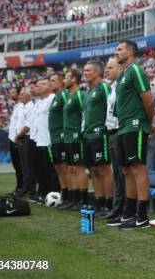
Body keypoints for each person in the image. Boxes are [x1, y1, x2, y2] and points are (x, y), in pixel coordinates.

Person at [107, 40, 155, 229]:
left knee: (137, 168)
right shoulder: (122, 76)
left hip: (135, 126)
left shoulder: (135, 70)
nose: (116, 52)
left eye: (119, 49)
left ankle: (142, 216)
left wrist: (147, 122)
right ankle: (128, 213)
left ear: (130, 52)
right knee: (126, 171)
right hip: (123, 127)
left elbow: (148, 100)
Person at [82, 60, 114, 217]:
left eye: (88, 70)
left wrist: (106, 128)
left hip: (100, 134)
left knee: (104, 169)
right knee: (93, 170)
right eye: (84, 70)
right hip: (87, 135)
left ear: (96, 72)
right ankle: (99, 202)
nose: (85, 73)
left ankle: (109, 204)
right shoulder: (88, 91)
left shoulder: (104, 88)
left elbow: (112, 108)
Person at [58, 69, 88, 211]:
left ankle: (83, 200)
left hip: (76, 137)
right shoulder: (68, 96)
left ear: (74, 79)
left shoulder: (80, 95)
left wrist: (81, 132)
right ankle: (74, 199)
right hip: (68, 138)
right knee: (70, 169)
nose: (64, 80)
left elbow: (85, 113)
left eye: (67, 78)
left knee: (78, 168)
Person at [104, 58, 125, 219]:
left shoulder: (121, 85)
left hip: (119, 130)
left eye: (110, 67)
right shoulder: (111, 88)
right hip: (111, 131)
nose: (106, 70)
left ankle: (123, 208)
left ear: (119, 69)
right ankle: (117, 207)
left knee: (122, 172)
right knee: (116, 173)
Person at [32, 78, 59, 202]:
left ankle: (54, 195)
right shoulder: (40, 101)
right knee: (43, 170)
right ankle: (45, 194)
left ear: (49, 86)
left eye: (43, 84)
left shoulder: (52, 99)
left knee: (51, 170)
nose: (39, 87)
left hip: (49, 140)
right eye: (38, 85)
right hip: (40, 140)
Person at [48, 73, 69, 206]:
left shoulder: (63, 95)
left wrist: (63, 133)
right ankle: (64, 194)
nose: (50, 83)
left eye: (53, 81)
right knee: (59, 168)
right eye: (49, 80)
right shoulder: (55, 97)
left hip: (62, 137)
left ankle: (70, 196)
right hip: (54, 138)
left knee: (65, 167)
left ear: (61, 82)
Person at [14, 86, 36, 199]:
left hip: (26, 137)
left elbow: (28, 125)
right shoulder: (22, 107)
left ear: (28, 95)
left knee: (28, 165)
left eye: (22, 94)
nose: (19, 96)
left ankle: (31, 189)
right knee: (23, 165)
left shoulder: (31, 107)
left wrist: (19, 135)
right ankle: (25, 187)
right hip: (21, 138)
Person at [7, 87, 24, 194]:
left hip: (18, 140)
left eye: (12, 92)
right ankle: (19, 187)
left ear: (18, 94)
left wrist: (18, 137)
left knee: (20, 166)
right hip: (12, 139)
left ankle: (22, 188)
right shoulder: (16, 106)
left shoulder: (22, 106)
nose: (10, 93)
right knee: (17, 166)